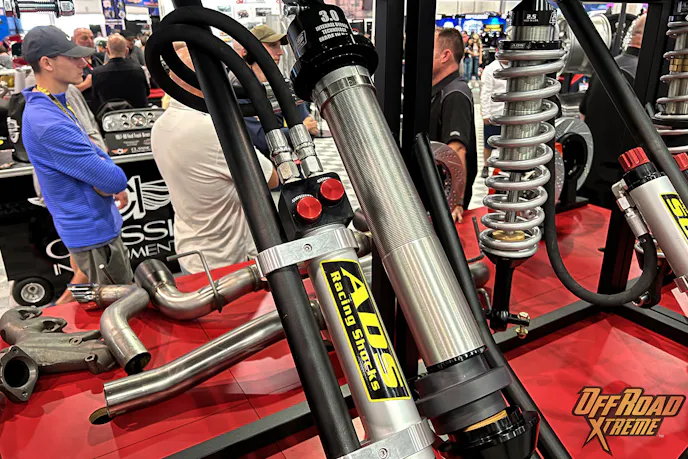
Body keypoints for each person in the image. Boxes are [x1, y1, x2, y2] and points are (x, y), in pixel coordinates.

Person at [151, 45, 278, 274]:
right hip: (224, 262)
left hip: (192, 250)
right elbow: (271, 179)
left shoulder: (161, 125)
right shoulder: (211, 130)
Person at [20, 26, 132, 285]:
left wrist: (101, 173)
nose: (84, 63)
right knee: (120, 301)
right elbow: (113, 180)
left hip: (96, 226)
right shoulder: (48, 122)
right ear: (47, 63)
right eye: (73, 57)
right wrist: (106, 178)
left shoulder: (56, 103)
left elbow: (94, 150)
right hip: (93, 233)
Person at [579, 14, 646, 209]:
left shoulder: (604, 67)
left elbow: (583, 115)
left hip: (590, 174)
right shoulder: (647, 77)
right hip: (623, 185)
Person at [230, 25, 319, 156]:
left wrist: (301, 129)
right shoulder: (238, 88)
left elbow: (310, 129)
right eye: (272, 46)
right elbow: (261, 140)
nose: (280, 52)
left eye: (279, 46)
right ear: (248, 50)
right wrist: (300, 130)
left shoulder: (283, 84)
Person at [429, 27, 477, 223]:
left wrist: (455, 202)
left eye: (429, 49)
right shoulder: (438, 91)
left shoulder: (454, 94)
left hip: (443, 199)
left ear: (445, 55)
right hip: (431, 194)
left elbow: (456, 150)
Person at [90, 34, 149, 114]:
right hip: (137, 116)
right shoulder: (138, 70)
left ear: (107, 51)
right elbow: (146, 93)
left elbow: (95, 99)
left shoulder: (97, 73)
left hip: (109, 117)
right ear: (126, 51)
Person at [479, 57, 507, 178]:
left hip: (509, 115)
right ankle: (485, 165)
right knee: (488, 143)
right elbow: (485, 92)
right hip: (494, 113)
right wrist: (485, 114)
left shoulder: (515, 66)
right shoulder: (491, 69)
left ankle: (504, 166)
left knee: (506, 143)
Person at [71, 28, 104, 106]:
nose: (90, 41)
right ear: (73, 40)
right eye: (84, 38)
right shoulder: (70, 62)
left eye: (91, 38)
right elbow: (64, 93)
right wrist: (85, 85)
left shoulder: (97, 60)